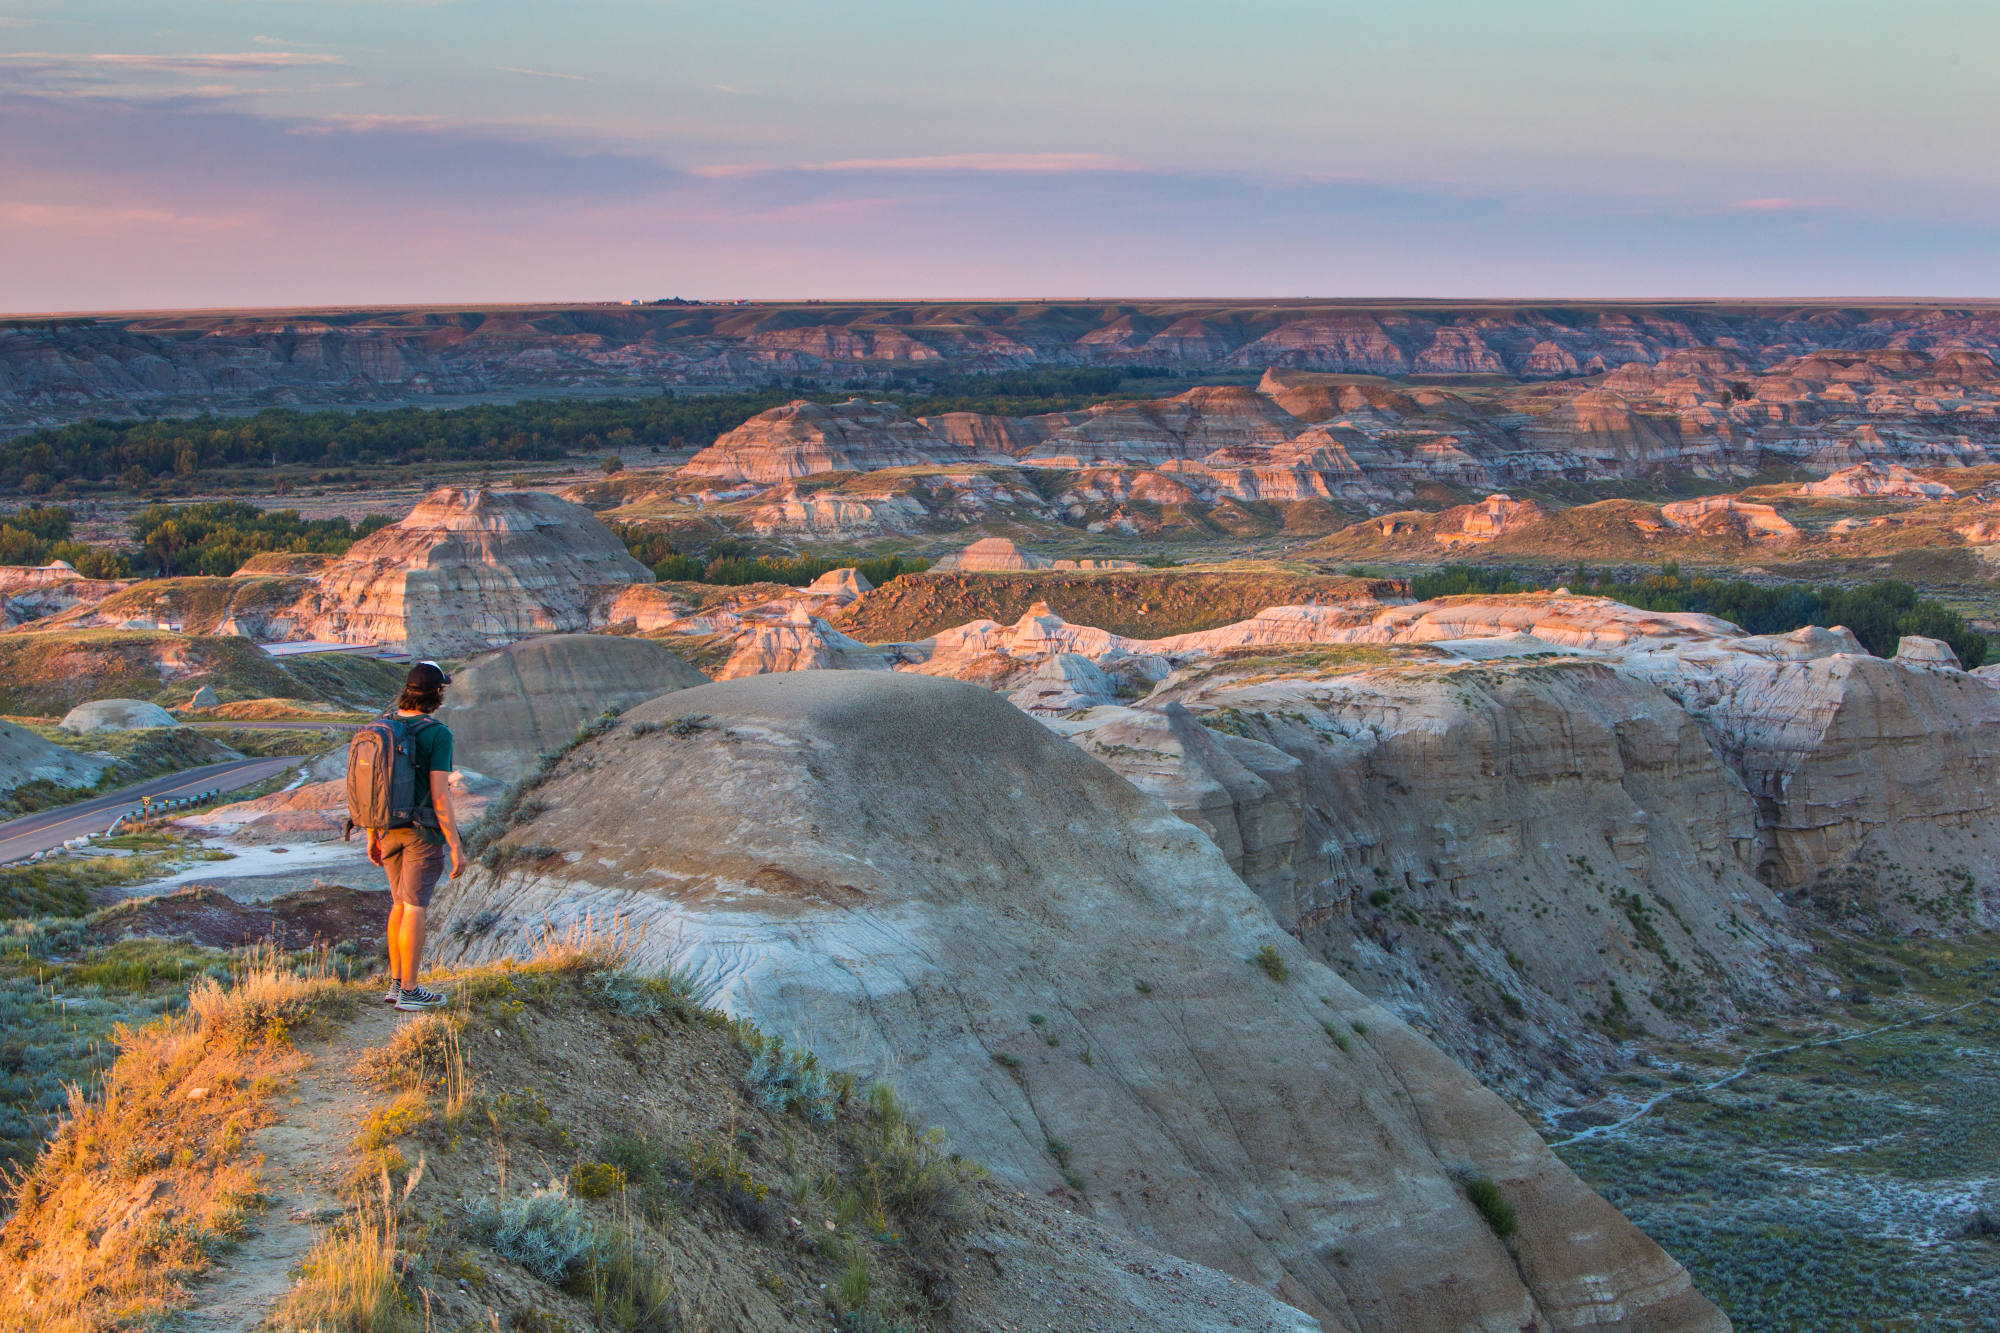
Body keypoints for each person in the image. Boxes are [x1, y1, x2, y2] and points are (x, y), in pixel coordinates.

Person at [369, 660, 465, 1011]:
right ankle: (410, 991)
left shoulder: (383, 727)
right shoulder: (438, 734)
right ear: (437, 694)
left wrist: (371, 835)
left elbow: (375, 787)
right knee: (415, 907)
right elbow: (441, 794)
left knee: (398, 904)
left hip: (386, 829)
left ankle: (396, 984)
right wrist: (455, 844)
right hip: (422, 832)